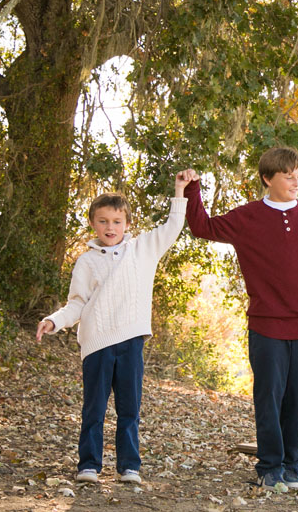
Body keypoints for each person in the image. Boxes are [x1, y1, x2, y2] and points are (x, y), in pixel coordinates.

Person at [179, 147, 298, 489]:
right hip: (266, 325)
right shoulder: (248, 217)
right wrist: (193, 190)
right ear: (268, 178)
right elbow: (202, 227)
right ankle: (270, 467)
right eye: (288, 176)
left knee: (297, 397)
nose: (296, 181)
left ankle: (292, 466)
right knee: (269, 396)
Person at [36, 174, 189, 485]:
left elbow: (173, 227)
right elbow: (76, 304)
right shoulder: (87, 262)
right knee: (94, 408)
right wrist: (54, 320)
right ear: (93, 224)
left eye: (117, 221)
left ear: (127, 224)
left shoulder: (143, 249)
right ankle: (89, 465)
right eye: (103, 221)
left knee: (129, 408)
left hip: (131, 340)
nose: (110, 227)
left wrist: (179, 191)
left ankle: (129, 466)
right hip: (97, 343)